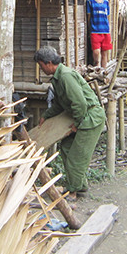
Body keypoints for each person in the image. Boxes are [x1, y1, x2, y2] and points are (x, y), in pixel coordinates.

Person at [34, 46, 105, 201]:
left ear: (49, 63)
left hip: (91, 118)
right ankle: (80, 185)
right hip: (83, 117)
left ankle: (73, 192)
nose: (41, 69)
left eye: (41, 65)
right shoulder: (58, 78)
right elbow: (60, 104)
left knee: (76, 157)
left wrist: (77, 125)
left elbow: (79, 104)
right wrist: (46, 116)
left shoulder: (65, 76)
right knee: (66, 148)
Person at [86, 0, 112, 68]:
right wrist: (90, 30)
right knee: (96, 53)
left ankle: (103, 73)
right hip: (95, 31)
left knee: (104, 54)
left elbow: (107, 17)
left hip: (105, 31)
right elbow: (89, 17)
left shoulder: (106, 2)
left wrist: (109, 29)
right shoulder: (90, 1)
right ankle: (97, 69)